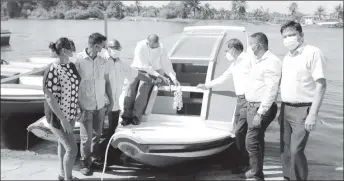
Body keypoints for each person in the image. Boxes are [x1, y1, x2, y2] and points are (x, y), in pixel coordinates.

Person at [279, 21, 327, 181]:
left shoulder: (312, 53)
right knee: (285, 149)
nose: (288, 39)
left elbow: (321, 85)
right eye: (285, 36)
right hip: (285, 108)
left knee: (296, 150)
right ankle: (288, 177)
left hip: (303, 109)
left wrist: (313, 114)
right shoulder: (287, 57)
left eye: (291, 35)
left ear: (301, 35)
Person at [197, 38, 252, 173]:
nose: (226, 53)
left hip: (249, 99)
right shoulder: (235, 64)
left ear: (233, 49)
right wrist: (206, 85)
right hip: (240, 100)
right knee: (236, 132)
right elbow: (223, 77)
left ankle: (246, 163)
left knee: (241, 132)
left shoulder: (249, 60)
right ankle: (235, 161)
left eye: (227, 50)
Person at [74, 32, 114, 176]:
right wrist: (78, 106)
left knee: (98, 135)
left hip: (100, 105)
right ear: (96, 46)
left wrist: (111, 100)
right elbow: (74, 84)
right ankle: (85, 163)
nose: (105, 49)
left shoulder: (103, 60)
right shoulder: (78, 60)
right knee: (86, 138)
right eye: (103, 46)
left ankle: (95, 159)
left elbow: (107, 81)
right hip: (85, 105)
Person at [244, 32, 281, 181]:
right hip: (253, 106)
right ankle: (256, 170)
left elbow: (272, 89)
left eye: (250, 44)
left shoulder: (272, 61)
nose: (249, 47)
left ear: (257, 45)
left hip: (260, 108)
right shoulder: (258, 60)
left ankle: (256, 174)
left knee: (251, 141)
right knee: (257, 139)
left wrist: (260, 112)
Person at [121, 34, 180, 126]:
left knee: (144, 89)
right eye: (152, 47)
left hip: (152, 71)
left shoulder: (161, 47)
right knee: (130, 88)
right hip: (137, 67)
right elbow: (144, 65)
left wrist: (173, 78)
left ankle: (136, 116)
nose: (154, 48)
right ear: (148, 42)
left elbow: (166, 63)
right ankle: (126, 116)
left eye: (156, 47)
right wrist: (161, 77)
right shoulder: (140, 46)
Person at [43, 37, 80, 181]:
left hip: (70, 113)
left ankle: (62, 174)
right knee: (72, 149)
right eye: (72, 48)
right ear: (64, 50)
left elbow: (74, 89)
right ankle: (68, 179)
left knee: (63, 145)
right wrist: (63, 119)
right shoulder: (52, 69)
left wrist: (77, 107)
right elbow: (50, 98)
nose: (74, 51)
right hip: (58, 117)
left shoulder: (70, 66)